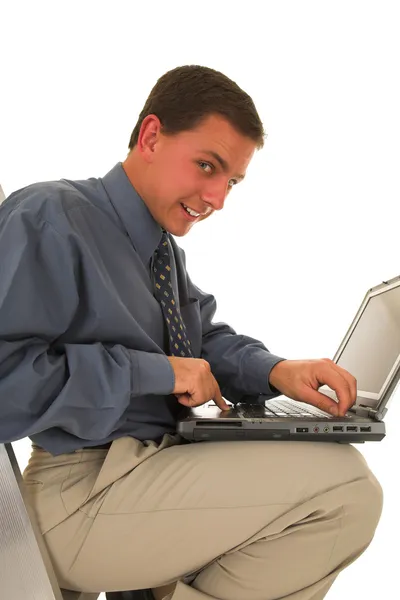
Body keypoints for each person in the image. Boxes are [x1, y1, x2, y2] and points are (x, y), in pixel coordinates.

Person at [0, 65, 383, 600]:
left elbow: (199, 340)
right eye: (207, 166)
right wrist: (155, 372)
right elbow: (6, 385)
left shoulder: (160, 251)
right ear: (152, 136)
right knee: (343, 491)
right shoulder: (50, 216)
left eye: (231, 181)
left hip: (145, 470)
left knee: (337, 478)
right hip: (80, 492)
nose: (218, 198)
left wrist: (277, 370)